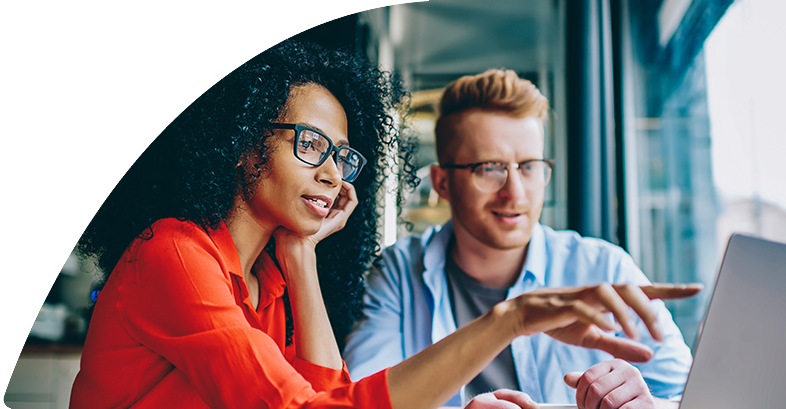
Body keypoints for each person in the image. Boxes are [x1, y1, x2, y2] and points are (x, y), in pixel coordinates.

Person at [70, 41, 699, 409]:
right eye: (310, 144)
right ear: (240, 143)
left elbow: (327, 389)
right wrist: (510, 319)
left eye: (342, 156)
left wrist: (302, 258)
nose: (333, 174)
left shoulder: (270, 280)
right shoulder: (176, 256)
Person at [343, 69, 696, 409]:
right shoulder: (399, 273)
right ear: (442, 183)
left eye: (529, 167)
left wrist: (649, 403)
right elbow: (359, 401)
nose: (515, 193)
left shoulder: (604, 267)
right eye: (489, 168)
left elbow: (694, 398)